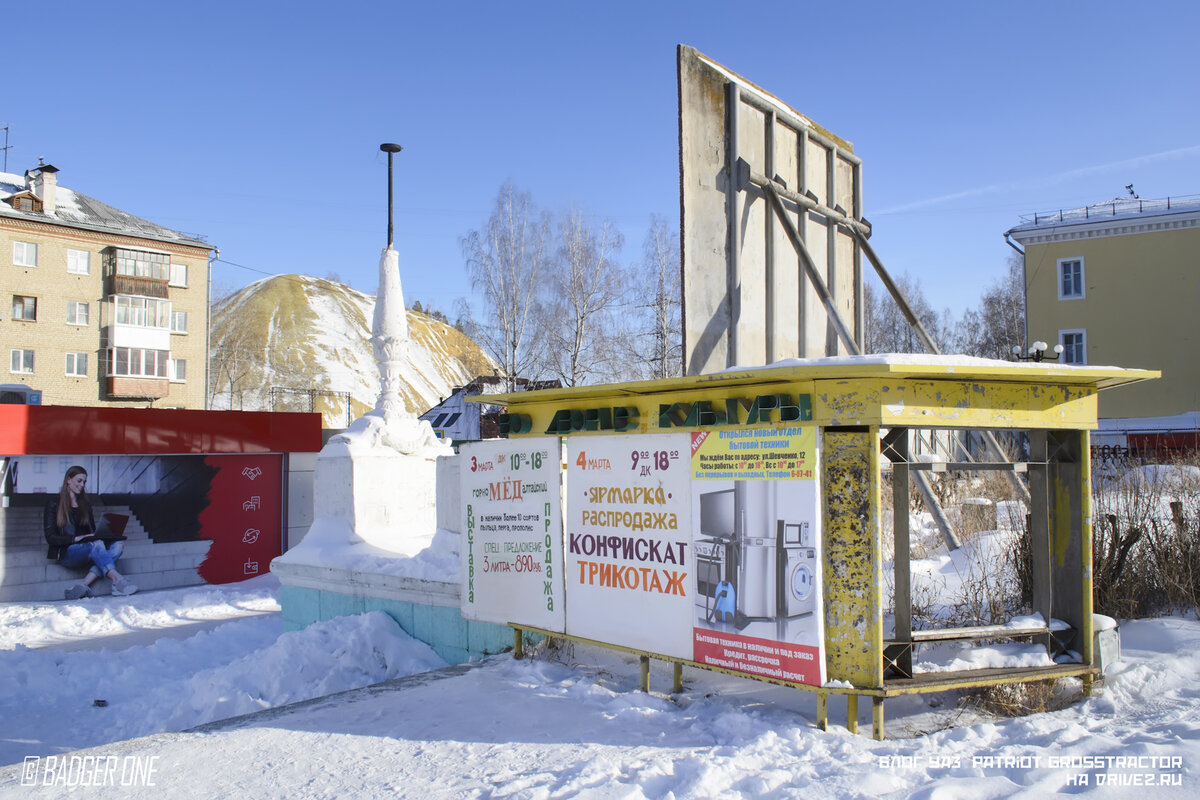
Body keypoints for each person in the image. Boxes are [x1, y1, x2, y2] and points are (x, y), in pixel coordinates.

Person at [44, 466, 137, 599]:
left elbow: (93, 533)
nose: (82, 485)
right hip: (66, 552)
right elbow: (50, 537)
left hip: (89, 548)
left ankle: (84, 584)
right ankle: (117, 580)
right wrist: (77, 538)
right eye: (79, 480)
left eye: (84, 482)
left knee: (118, 545)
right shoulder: (53, 503)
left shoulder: (85, 505)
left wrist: (106, 535)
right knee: (95, 544)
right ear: (68, 480)